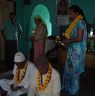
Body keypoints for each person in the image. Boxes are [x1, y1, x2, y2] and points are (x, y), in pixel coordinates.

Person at [61, 5, 87, 96]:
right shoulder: (74, 23)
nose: (70, 16)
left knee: (75, 71)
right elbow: (73, 38)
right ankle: (69, 87)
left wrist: (67, 40)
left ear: (77, 13)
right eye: (69, 14)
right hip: (72, 50)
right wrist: (65, 43)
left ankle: (74, 90)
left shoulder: (80, 22)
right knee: (69, 70)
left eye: (71, 14)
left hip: (77, 52)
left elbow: (79, 38)